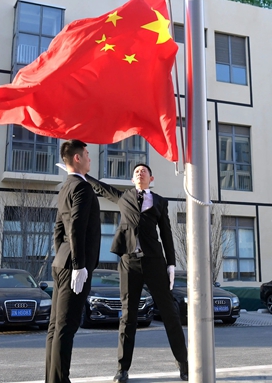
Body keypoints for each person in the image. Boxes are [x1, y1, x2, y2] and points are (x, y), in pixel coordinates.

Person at [86, 163, 188, 382]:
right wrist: (80, 174)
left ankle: (184, 363)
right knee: (128, 317)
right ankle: (122, 369)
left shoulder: (160, 201)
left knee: (170, 313)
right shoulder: (124, 197)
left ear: (151, 178)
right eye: (136, 172)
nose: (140, 173)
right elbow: (102, 188)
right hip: (129, 262)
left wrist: (171, 264)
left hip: (154, 262)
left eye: (144, 171)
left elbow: (167, 233)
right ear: (132, 180)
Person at [45, 140, 101, 383]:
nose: (90, 157)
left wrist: (63, 254)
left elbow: (59, 229)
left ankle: (52, 379)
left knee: (55, 327)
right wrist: (78, 264)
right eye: (86, 154)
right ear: (77, 158)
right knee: (66, 327)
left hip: (61, 261)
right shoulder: (82, 187)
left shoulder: (65, 187)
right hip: (74, 265)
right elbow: (75, 226)